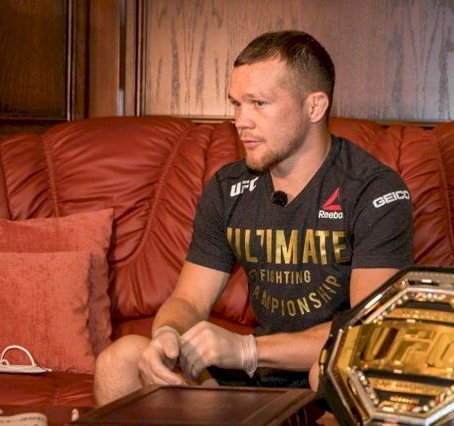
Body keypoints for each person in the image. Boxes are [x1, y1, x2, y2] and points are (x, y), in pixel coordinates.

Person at [93, 30, 413, 405]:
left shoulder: (373, 190)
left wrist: (247, 349)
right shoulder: (228, 187)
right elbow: (190, 301)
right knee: (121, 359)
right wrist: (168, 333)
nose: (241, 121)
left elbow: (368, 331)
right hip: (247, 375)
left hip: (319, 370)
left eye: (259, 103)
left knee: (332, 369)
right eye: (236, 104)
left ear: (314, 107)